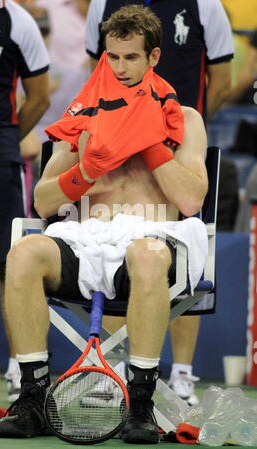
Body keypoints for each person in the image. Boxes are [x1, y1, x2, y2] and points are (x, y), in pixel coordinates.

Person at [0, 5, 208, 444]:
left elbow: (190, 199)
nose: (120, 67)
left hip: (154, 239)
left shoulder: (184, 120)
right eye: (113, 57)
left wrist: (151, 145)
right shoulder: (85, 116)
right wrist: (85, 174)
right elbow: (43, 200)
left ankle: (141, 403)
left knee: (145, 254)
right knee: (24, 252)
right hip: (87, 239)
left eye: (131, 57)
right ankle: (34, 397)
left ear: (153, 57)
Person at [85, 0, 234, 404]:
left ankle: (182, 373)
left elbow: (221, 78)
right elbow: (98, 66)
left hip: (179, 141)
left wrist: (181, 129)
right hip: (118, 129)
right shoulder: (103, 3)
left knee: (183, 246)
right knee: (115, 234)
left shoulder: (207, 5)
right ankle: (113, 366)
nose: (121, 64)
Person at [0, 0, 50, 403]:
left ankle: (24, 373)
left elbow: (39, 96)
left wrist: (3, 139)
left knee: (9, 265)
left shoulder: (16, 19)